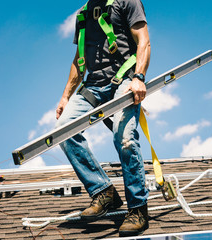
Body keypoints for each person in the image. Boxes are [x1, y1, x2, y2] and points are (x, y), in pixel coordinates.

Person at [55, 0, 151, 236]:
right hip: (94, 86)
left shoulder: (126, 1)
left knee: (125, 137)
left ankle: (138, 209)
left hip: (124, 80)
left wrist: (139, 77)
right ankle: (103, 191)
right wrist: (66, 96)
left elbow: (144, 41)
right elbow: (79, 59)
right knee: (63, 130)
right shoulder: (82, 15)